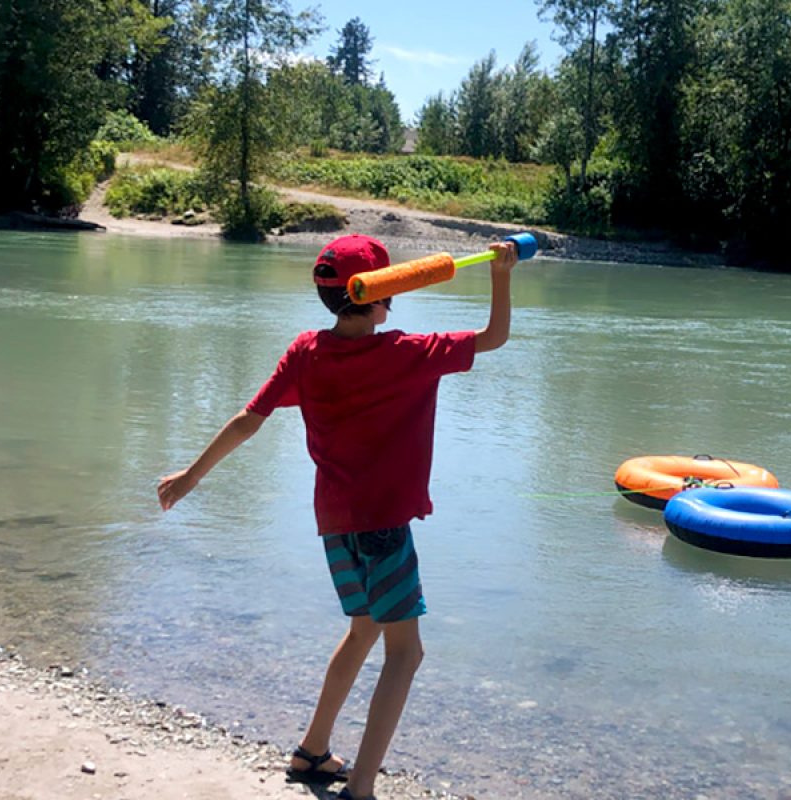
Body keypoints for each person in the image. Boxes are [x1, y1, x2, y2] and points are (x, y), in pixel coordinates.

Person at [157, 233, 519, 800]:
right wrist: (502, 273)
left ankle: (312, 751)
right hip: (383, 527)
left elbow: (250, 420)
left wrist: (191, 477)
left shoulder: (306, 352)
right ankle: (362, 790)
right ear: (383, 294)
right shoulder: (407, 352)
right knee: (406, 653)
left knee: (363, 631)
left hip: (335, 526)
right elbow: (494, 337)